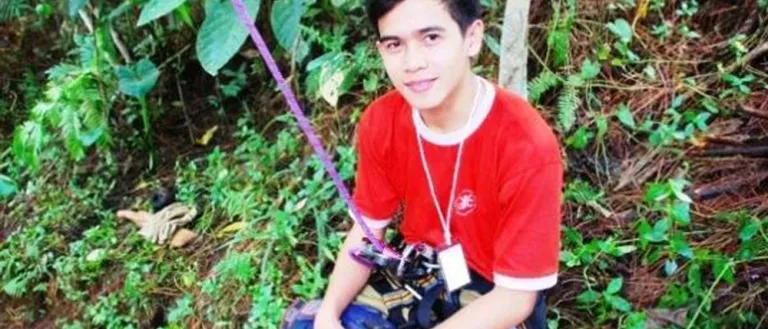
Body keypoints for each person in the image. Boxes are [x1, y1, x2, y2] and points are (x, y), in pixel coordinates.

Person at [292, 1, 563, 328]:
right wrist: (328, 314)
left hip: (494, 297)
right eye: (395, 44)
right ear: (381, 51)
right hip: (422, 276)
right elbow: (366, 234)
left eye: (431, 37)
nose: (413, 63)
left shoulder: (526, 144)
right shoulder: (382, 121)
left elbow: (515, 299)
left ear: (472, 38)